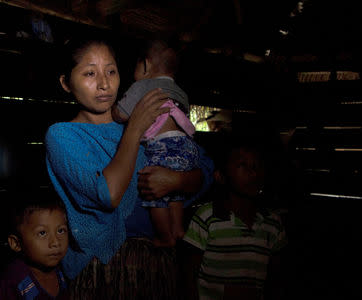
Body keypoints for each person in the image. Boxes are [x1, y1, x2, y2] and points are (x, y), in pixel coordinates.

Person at [44, 36, 214, 299]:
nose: (104, 84)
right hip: (103, 269)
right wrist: (134, 128)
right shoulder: (63, 136)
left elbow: (204, 169)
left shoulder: (150, 123)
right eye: (90, 73)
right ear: (66, 83)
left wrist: (176, 181)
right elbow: (109, 194)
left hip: (158, 264)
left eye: (111, 71)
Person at [112, 39, 198, 247]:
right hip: (186, 146)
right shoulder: (181, 92)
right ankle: (177, 229)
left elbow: (121, 114)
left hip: (163, 145)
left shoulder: (144, 85)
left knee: (154, 194)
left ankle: (164, 236)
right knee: (174, 192)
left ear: (145, 65)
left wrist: (114, 111)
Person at [182, 134, 288, 300]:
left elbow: (277, 280)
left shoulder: (272, 223)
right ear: (220, 176)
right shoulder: (207, 218)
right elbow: (188, 276)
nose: (252, 171)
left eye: (256, 165)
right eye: (242, 165)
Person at [0, 190, 69, 300]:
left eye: (61, 231)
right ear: (16, 243)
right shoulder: (15, 279)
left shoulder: (62, 270)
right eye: (42, 233)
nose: (56, 242)